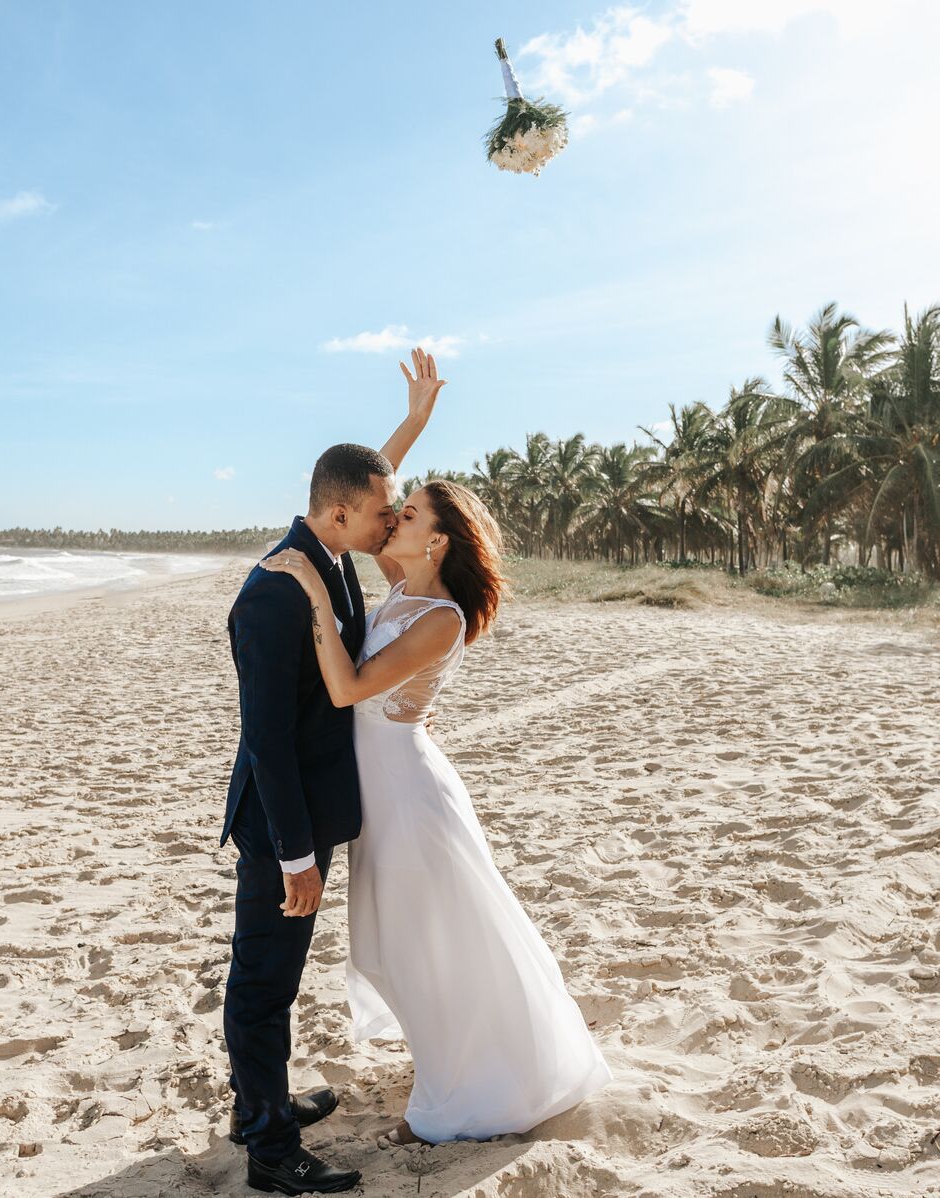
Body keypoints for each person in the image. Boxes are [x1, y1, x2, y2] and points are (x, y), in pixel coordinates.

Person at [262, 470, 614, 1149]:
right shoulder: (401, 581)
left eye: (412, 514)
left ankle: (458, 1094)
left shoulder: (441, 619)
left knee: (429, 941)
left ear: (439, 540)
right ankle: (451, 1060)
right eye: (399, 512)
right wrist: (414, 418)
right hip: (384, 791)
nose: (395, 521)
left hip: (408, 794)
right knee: (399, 943)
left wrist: (310, 589)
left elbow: (344, 689)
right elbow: (357, 506)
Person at [221, 348, 446, 1195]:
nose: (392, 524)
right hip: (283, 824)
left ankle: (258, 1104)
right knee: (263, 983)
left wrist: (416, 422)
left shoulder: (330, 553)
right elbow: (267, 742)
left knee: (270, 976)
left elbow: (378, 486)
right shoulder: (276, 591)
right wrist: (295, 857)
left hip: (315, 810)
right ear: (342, 514)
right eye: (381, 515)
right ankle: (269, 1149)